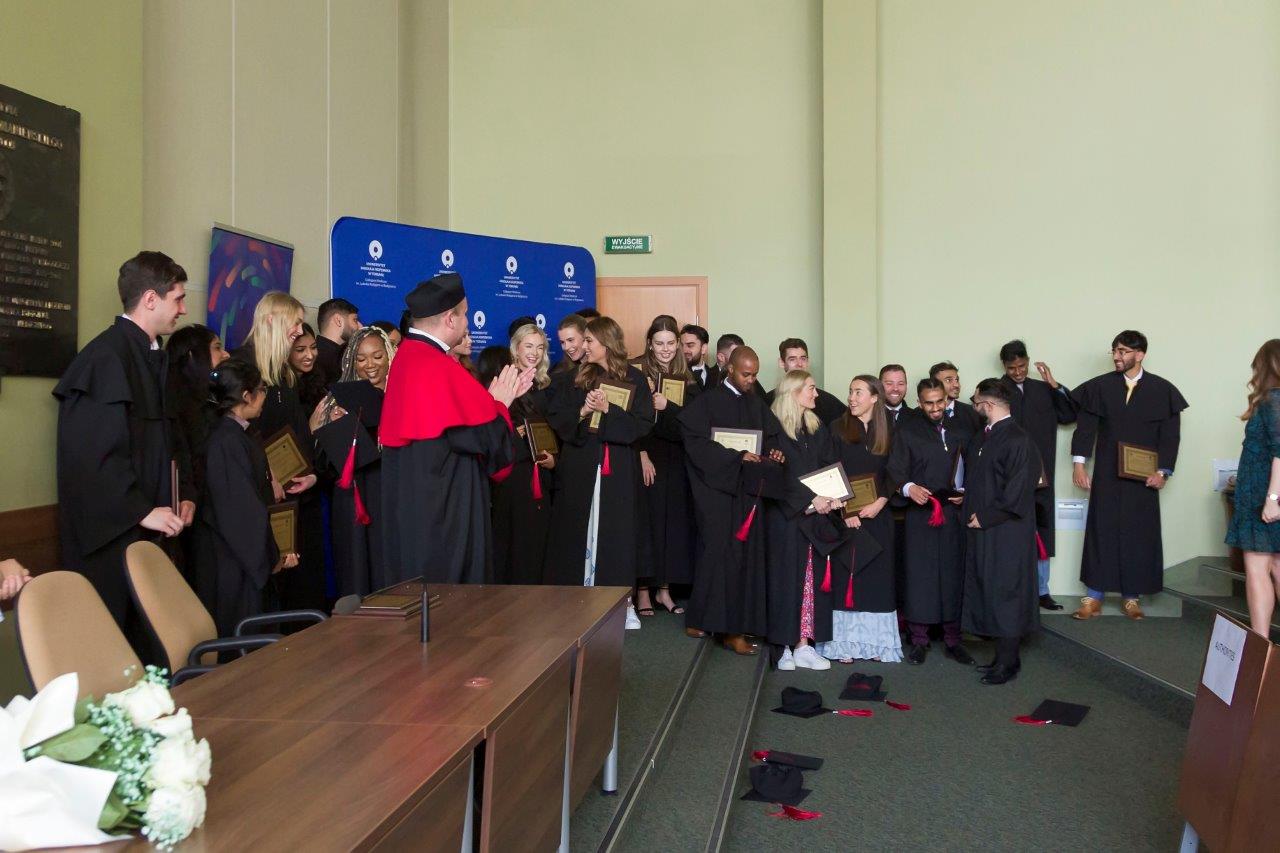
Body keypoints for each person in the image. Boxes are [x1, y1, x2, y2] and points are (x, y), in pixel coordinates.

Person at [53, 251, 190, 632]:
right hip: (114, 541)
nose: (183, 309)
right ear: (151, 299)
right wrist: (141, 511)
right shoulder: (104, 360)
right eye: (178, 298)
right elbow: (92, 459)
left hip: (153, 531)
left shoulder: (149, 355)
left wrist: (184, 494)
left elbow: (166, 442)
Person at [380, 273, 532, 585]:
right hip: (447, 511)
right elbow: (486, 441)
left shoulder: (408, 356)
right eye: (464, 315)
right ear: (450, 318)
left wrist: (492, 403)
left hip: (415, 508)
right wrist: (500, 404)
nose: (467, 323)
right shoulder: (438, 366)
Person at [1070, 331, 1188, 621]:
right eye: (1114, 350)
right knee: (1101, 529)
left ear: (1140, 354)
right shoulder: (1099, 387)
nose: (1116, 356)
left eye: (1123, 351)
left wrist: (1163, 471)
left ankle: (1131, 598)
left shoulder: (1163, 390)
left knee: (1138, 533)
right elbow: (1085, 428)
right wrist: (1079, 464)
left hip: (1143, 476)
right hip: (1106, 472)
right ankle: (1093, 597)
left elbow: (1170, 436)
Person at [545, 317, 654, 628]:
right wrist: (583, 410)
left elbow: (643, 424)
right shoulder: (575, 377)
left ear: (606, 343)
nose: (584, 345)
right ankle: (573, 600)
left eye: (589, 340)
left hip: (618, 465)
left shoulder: (634, 378)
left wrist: (609, 410)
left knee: (618, 533)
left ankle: (623, 604)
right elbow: (558, 418)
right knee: (575, 528)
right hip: (580, 463)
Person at [679, 346, 782, 655]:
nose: (751, 380)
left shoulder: (756, 402)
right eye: (746, 374)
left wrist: (774, 452)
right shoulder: (707, 401)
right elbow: (695, 444)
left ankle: (732, 627)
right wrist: (737, 456)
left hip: (746, 493)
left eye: (755, 375)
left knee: (742, 558)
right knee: (716, 554)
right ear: (730, 369)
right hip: (716, 493)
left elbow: (771, 437)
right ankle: (706, 620)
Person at [193, 359, 298, 635]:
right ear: (246, 396)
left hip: (241, 555)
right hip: (235, 561)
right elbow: (241, 513)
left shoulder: (236, 434)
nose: (265, 396)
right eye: (262, 389)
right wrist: (271, 556)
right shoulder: (226, 442)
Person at [236, 292, 323, 614]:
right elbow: (236, 438)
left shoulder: (284, 375)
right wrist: (266, 475)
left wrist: (311, 474)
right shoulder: (242, 368)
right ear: (272, 320)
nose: (299, 331)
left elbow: (299, 433)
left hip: (296, 498)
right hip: (259, 501)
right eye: (295, 323)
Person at [886, 377, 973, 666]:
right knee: (919, 576)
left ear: (947, 399)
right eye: (929, 403)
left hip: (952, 512)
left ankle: (953, 639)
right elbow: (894, 470)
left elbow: (975, 467)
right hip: (920, 513)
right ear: (919, 402)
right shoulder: (907, 431)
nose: (935, 409)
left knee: (953, 573)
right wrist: (909, 488)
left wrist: (967, 491)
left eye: (940, 402)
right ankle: (919, 639)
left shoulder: (962, 429)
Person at [818, 375, 903, 664]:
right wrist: (846, 513)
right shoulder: (837, 428)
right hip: (846, 518)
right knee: (848, 581)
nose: (852, 398)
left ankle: (876, 645)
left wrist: (881, 501)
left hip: (879, 515)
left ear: (875, 397)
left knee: (878, 582)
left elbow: (896, 469)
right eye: (850, 391)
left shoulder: (890, 427)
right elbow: (829, 470)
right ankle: (845, 645)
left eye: (858, 392)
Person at [962, 379, 1040, 684]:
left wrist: (985, 517)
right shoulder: (985, 436)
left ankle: (1008, 662)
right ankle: (1002, 657)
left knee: (1006, 592)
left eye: (976, 401)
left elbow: (1018, 491)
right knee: (992, 589)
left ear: (988, 404)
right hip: (986, 527)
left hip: (1007, 531)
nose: (975, 407)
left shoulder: (1018, 439)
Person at [767, 370, 845, 671]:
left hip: (816, 517)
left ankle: (804, 644)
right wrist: (811, 498)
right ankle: (782, 646)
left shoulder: (816, 427)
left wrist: (836, 496)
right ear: (794, 391)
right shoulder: (773, 429)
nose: (816, 394)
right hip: (786, 518)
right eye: (811, 388)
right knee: (785, 580)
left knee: (811, 579)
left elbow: (829, 466)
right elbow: (776, 475)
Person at [312, 327, 395, 598]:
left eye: (377, 356)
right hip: (353, 498)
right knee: (356, 568)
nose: (370, 365)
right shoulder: (334, 402)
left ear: (389, 356)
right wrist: (335, 428)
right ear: (351, 362)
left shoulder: (403, 396)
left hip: (390, 495)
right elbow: (323, 464)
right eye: (361, 359)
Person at [998, 340, 1077, 610]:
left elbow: (1069, 414)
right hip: (1007, 475)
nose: (1018, 372)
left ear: (1028, 362)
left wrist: (1053, 384)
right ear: (1004, 366)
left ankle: (1042, 591)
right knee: (1009, 529)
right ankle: (1012, 591)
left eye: (1022, 366)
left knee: (1042, 530)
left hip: (1043, 475)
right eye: (1012, 368)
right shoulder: (996, 391)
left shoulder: (1043, 389)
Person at [634, 316, 699, 615]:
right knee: (648, 522)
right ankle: (643, 591)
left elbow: (693, 425)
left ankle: (664, 590)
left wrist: (667, 407)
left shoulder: (689, 379)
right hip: (649, 457)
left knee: (672, 524)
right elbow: (628, 421)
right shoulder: (637, 373)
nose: (665, 349)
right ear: (650, 344)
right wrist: (641, 454)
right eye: (659, 343)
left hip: (678, 459)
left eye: (671, 343)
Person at [491, 324, 557, 585]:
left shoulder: (546, 386)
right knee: (515, 539)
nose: (534, 352)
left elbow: (555, 432)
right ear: (515, 349)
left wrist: (554, 458)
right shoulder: (503, 384)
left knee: (539, 539)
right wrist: (515, 434)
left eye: (540, 347)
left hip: (542, 471)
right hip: (513, 476)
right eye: (528, 346)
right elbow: (491, 430)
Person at [165, 324, 230, 578]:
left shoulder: (211, 398)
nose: (225, 354)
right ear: (193, 356)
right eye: (216, 348)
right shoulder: (175, 406)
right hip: (194, 515)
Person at [1225, 340, 1280, 636]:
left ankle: (1260, 645)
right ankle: (1262, 644)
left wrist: (1272, 498)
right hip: (1260, 492)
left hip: (1263, 498)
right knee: (1275, 566)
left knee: (1258, 569)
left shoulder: (1274, 400)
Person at [766, 338, 846, 423]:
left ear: (808, 362)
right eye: (792, 359)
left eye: (803, 358)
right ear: (782, 363)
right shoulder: (768, 401)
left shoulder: (827, 402)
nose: (799, 364)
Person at [314, 297, 360, 387]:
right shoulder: (318, 360)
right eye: (355, 320)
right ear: (338, 320)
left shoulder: (340, 355)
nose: (360, 326)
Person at [929, 361, 983, 436]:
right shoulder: (919, 415)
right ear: (934, 384)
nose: (957, 385)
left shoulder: (973, 413)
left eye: (957, 380)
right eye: (948, 380)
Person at [290, 323, 328, 413]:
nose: (310, 356)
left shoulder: (318, 377)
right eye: (300, 350)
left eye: (313, 347)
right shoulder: (281, 388)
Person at [879, 364, 910, 428]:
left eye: (900, 384)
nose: (895, 388)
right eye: (889, 384)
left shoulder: (918, 418)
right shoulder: (868, 416)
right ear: (879, 385)